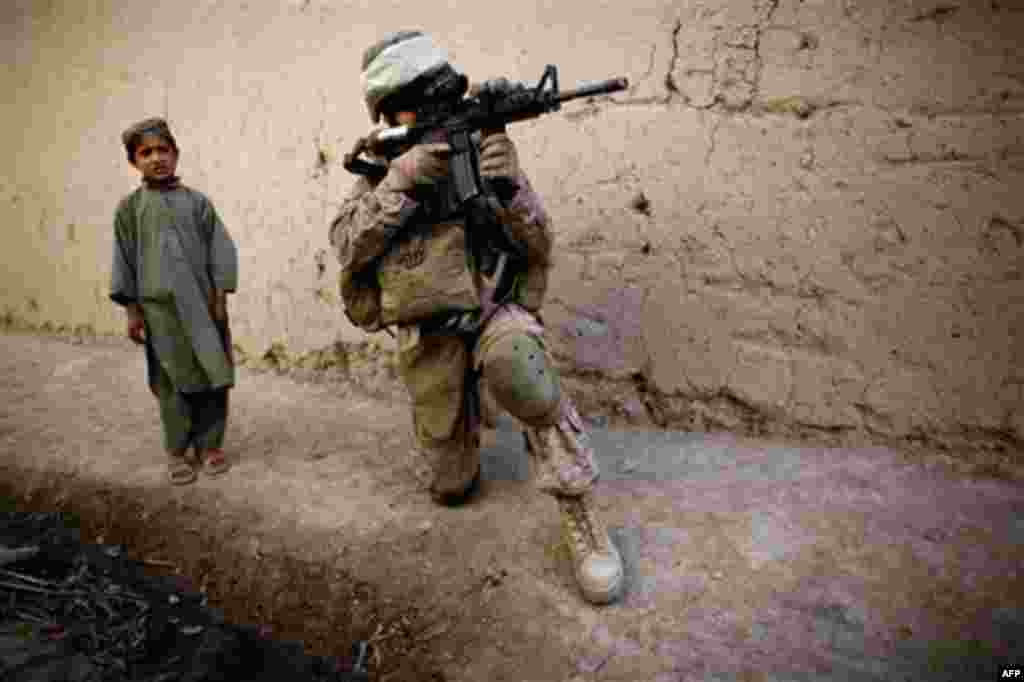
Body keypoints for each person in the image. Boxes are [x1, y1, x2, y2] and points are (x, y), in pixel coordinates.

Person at [329, 31, 624, 605]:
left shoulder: (481, 149)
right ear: (391, 114)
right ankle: (462, 428)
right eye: (417, 104)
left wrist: (510, 188)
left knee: (522, 368)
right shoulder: (377, 172)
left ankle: (583, 517)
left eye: (441, 97)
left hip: (493, 311)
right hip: (429, 334)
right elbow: (347, 246)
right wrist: (403, 180)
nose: (436, 114)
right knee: (452, 485)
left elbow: (540, 244)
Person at [110, 118, 238, 486]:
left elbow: (220, 251)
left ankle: (210, 445)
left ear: (176, 155)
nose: (156, 158)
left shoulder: (198, 204)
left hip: (204, 307)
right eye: (145, 153)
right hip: (160, 314)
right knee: (171, 380)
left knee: (214, 374)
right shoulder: (130, 210)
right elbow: (124, 260)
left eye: (162, 150)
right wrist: (133, 311)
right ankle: (177, 450)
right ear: (134, 162)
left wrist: (220, 297)